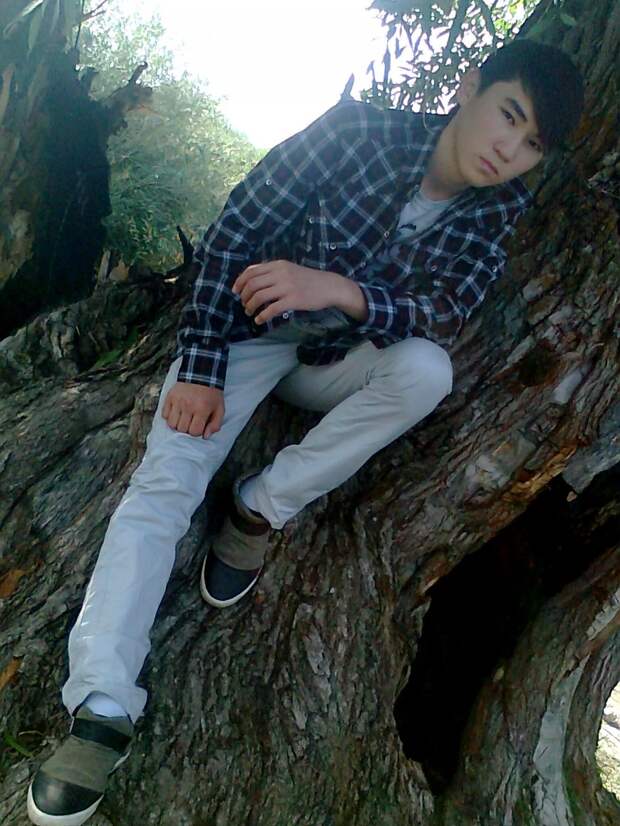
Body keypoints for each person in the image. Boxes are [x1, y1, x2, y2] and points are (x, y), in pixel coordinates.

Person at [27, 39, 583, 826]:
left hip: (340, 357)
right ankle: (100, 709)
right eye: (509, 115)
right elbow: (235, 231)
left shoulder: (499, 209)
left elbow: (443, 313)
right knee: (165, 482)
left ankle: (259, 508)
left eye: (532, 144)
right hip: (248, 333)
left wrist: (340, 290)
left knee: (427, 370)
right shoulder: (358, 130)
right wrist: (200, 367)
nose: (509, 149)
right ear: (469, 88)